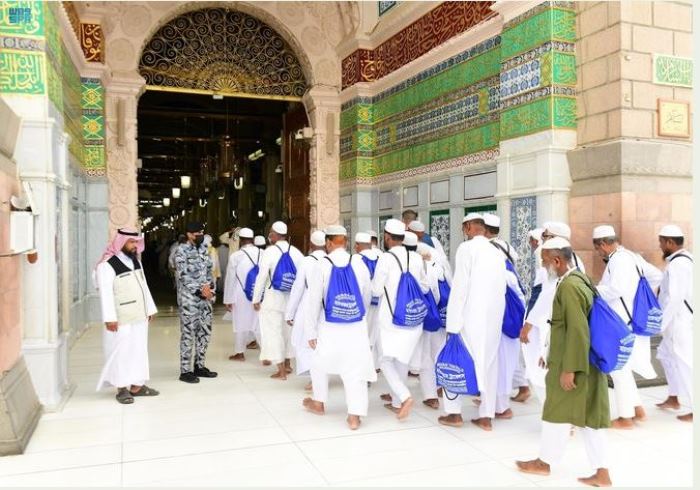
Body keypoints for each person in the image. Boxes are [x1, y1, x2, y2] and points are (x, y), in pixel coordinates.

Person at [516, 237, 612, 487]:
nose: (543, 265)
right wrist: (549, 353)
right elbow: (561, 326)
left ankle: (544, 463)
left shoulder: (569, 287)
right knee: (588, 418)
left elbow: (578, 331)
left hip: (574, 365)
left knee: (556, 412)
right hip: (582, 362)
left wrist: (569, 369)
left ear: (557, 261)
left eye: (545, 260)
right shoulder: (579, 279)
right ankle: (601, 472)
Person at [302, 225, 376, 430]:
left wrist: (310, 331)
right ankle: (354, 416)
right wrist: (356, 314)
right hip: (356, 326)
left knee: (319, 362)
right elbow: (367, 295)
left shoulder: (322, 265)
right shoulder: (359, 263)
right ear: (346, 242)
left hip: (329, 326)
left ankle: (319, 402)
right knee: (355, 369)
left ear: (328, 243)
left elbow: (313, 301)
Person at [438, 213, 506, 431]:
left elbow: (460, 288)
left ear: (468, 227)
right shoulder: (496, 252)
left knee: (454, 359)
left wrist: (452, 325)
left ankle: (453, 413)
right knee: (489, 363)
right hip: (493, 319)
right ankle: (486, 416)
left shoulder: (466, 249)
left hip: (469, 318)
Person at [592, 225, 662, 429]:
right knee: (625, 367)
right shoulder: (632, 257)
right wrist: (638, 297)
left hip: (622, 323)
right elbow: (657, 276)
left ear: (602, 244)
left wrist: (592, 290)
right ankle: (638, 409)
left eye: (597, 249)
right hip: (634, 321)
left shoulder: (618, 260)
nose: (598, 253)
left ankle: (625, 418)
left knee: (618, 368)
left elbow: (616, 290)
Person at [371, 219, 428, 420]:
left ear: (387, 237)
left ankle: (404, 396)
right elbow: (425, 288)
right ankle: (397, 403)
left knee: (385, 359)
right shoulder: (417, 258)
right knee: (402, 358)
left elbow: (376, 290)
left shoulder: (386, 259)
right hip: (413, 317)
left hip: (391, 318)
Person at [94, 228, 159, 404]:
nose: (135, 245)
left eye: (136, 242)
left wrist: (149, 309)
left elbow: (144, 286)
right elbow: (106, 294)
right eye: (131, 242)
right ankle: (121, 388)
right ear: (121, 242)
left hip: (139, 315)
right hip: (121, 317)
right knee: (121, 352)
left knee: (139, 350)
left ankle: (137, 385)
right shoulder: (107, 265)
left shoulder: (136, 261)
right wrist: (110, 318)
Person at [483, 213, 526, 420]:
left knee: (497, 361)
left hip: (499, 316)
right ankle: (496, 401)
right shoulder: (506, 247)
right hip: (511, 314)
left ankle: (500, 406)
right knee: (507, 360)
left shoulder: (487, 251)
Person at [252, 221, 304, 380]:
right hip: (291, 301)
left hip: (272, 300)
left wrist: (256, 298)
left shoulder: (270, 252)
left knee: (273, 333)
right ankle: (288, 364)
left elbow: (261, 277)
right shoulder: (296, 252)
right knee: (288, 333)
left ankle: (281, 371)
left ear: (274, 235)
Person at [656, 224, 693, 422]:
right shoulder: (684, 260)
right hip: (676, 321)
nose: (660, 246)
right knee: (665, 355)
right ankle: (673, 397)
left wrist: (661, 324)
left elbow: (675, 298)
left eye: (661, 242)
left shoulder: (679, 264)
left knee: (686, 363)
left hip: (679, 322)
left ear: (670, 242)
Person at [174, 222, 218, 383]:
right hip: (189, 300)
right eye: (197, 233)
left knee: (204, 332)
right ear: (189, 234)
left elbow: (209, 271)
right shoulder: (181, 251)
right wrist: (200, 290)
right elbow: (182, 275)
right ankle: (185, 371)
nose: (200, 235)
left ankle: (199, 366)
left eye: (202, 232)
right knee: (188, 334)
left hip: (205, 299)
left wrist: (210, 289)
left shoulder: (204, 249)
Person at [286, 230, 327, 382]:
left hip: (308, 303)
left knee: (304, 339)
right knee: (322, 339)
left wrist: (289, 313)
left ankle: (314, 376)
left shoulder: (306, 261)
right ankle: (320, 374)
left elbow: (297, 289)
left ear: (311, 244)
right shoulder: (330, 260)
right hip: (327, 305)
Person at [416, 241, 450, 409]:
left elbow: (433, 294)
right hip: (442, 319)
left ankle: (431, 395)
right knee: (439, 352)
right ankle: (442, 387)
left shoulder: (427, 268)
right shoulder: (443, 268)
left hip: (430, 318)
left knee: (426, 356)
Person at [223, 228, 262, 362]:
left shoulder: (236, 256)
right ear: (252, 239)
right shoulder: (262, 253)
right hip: (259, 293)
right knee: (259, 323)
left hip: (241, 293)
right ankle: (267, 353)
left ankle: (240, 353)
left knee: (240, 323)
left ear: (240, 240)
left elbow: (230, 279)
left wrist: (228, 299)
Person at [520, 227, 548, 403]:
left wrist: (528, 323)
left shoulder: (542, 253)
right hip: (546, 318)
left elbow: (541, 293)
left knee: (537, 359)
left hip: (541, 320)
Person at [354, 232, 381, 368]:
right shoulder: (381, 256)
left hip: (363, 301)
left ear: (357, 245)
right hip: (380, 301)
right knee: (376, 332)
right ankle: (376, 365)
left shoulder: (355, 259)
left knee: (363, 334)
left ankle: (365, 365)